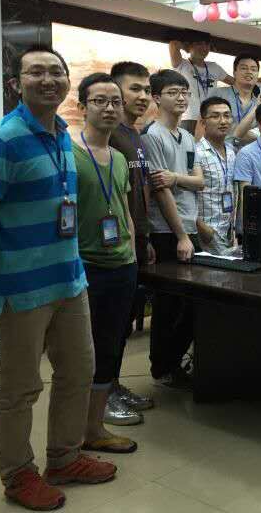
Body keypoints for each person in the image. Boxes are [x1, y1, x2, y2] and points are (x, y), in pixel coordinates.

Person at [0, 46, 115, 511]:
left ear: (68, 81)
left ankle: (65, 458)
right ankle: (17, 474)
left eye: (56, 72)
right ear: (17, 83)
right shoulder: (1, 140)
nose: (48, 80)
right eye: (36, 72)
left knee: (78, 371)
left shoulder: (61, 133)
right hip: (20, 284)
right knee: (21, 387)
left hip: (69, 279)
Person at [72, 73, 139, 454]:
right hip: (84, 267)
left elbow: (124, 208)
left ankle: (94, 428)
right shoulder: (69, 153)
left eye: (115, 101)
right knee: (83, 353)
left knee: (111, 347)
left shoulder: (118, 157)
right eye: (100, 101)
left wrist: (131, 249)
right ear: (83, 106)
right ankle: (74, 431)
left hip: (122, 264)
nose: (110, 108)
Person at [142, 69, 204, 388]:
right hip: (168, 231)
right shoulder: (152, 136)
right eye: (172, 92)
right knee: (168, 305)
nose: (181, 97)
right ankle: (162, 368)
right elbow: (160, 189)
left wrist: (178, 177)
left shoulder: (188, 136)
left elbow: (199, 181)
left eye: (184, 92)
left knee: (191, 303)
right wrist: (181, 236)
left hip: (189, 226)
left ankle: (175, 362)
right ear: (156, 97)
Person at [108, 61, 156, 421]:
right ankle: (103, 393)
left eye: (146, 90)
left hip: (138, 239)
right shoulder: (110, 134)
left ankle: (113, 384)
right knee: (109, 325)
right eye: (135, 88)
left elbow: (139, 191)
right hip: (113, 246)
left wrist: (146, 236)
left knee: (122, 323)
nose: (143, 96)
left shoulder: (134, 135)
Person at [195, 97, 238, 256]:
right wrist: (202, 228)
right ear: (203, 122)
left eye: (227, 115)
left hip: (229, 231)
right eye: (215, 116)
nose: (223, 121)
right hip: (206, 233)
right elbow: (183, 196)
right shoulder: (196, 152)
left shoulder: (232, 151)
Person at [169, 33, 234, 136]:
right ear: (190, 45)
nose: (204, 47)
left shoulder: (214, 67)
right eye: (199, 43)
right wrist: (186, 47)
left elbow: (236, 83)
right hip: (190, 118)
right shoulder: (182, 64)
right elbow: (173, 44)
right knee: (188, 145)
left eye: (207, 44)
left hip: (211, 118)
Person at [213, 53, 261, 149]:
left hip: (248, 156)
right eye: (244, 68)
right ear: (234, 72)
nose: (249, 72)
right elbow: (202, 126)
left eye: (253, 69)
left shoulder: (260, 104)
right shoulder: (219, 94)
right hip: (219, 152)